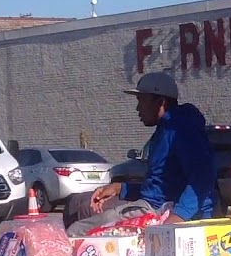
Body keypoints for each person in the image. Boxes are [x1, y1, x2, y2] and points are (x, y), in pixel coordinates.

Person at [64, 72, 217, 235]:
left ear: (160, 101)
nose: (138, 108)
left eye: (142, 100)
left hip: (161, 212)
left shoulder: (180, 128)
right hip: (156, 204)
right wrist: (119, 188)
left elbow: (203, 175)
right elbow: (162, 186)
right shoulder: (165, 129)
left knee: (76, 231)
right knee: (77, 203)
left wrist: (177, 218)